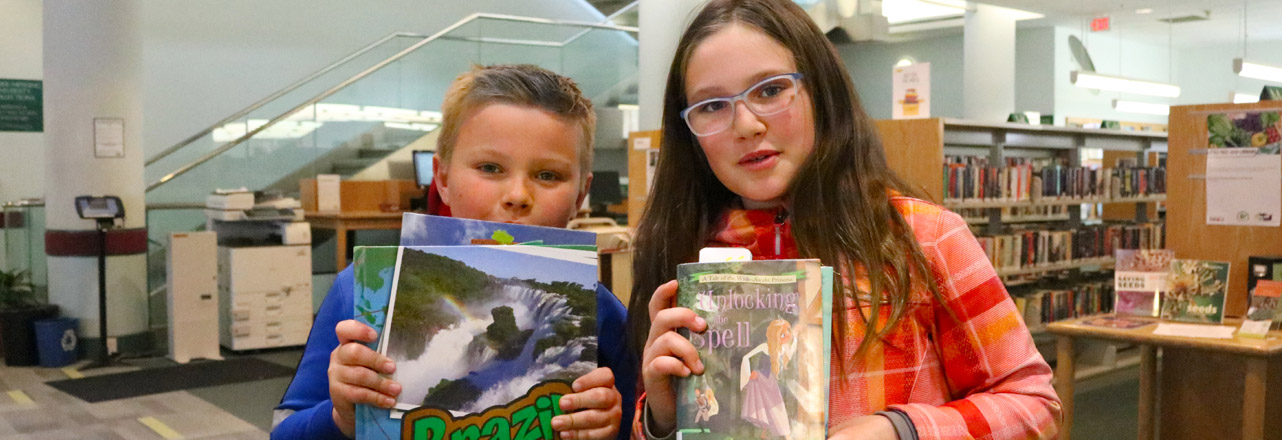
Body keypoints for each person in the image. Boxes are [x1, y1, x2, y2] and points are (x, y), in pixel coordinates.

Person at [624, 1, 1062, 439]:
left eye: (771, 90)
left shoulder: (925, 238)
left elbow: (1034, 404)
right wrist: (660, 419)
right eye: (711, 105)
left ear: (822, 93)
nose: (746, 124)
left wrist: (902, 430)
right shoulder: (683, 251)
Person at [271, 64, 635, 440]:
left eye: (547, 175)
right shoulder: (363, 291)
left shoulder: (602, 313)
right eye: (490, 167)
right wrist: (340, 418)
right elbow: (284, 430)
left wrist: (612, 427)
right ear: (442, 179)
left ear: (580, 195)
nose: (517, 196)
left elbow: (641, 424)